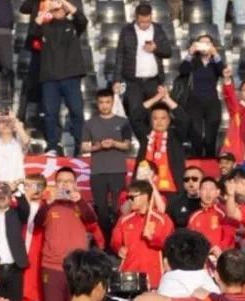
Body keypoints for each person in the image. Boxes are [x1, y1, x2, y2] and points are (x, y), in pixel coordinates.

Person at [33, 167, 104, 301]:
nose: (64, 184)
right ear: (55, 184)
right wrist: (48, 203)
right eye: (60, 181)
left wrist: (80, 200)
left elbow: (92, 219)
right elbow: (37, 221)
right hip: (52, 266)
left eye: (69, 181)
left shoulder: (81, 204)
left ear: (75, 184)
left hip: (78, 267)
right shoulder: (49, 205)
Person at [35, 0, 87, 157]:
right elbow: (34, 28)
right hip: (50, 77)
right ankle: (52, 146)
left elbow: (81, 18)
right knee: (50, 114)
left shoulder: (73, 25)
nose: (58, 11)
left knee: (77, 112)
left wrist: (64, 2)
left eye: (61, 9)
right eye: (56, 9)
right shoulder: (45, 26)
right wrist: (47, 8)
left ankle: (80, 145)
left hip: (71, 76)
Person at [81, 89, 133, 239]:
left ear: (112, 102)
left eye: (107, 102)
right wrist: (99, 146)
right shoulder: (90, 123)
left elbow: (127, 145)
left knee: (119, 207)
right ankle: (104, 240)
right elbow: (84, 147)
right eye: (101, 102)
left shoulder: (123, 122)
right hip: (98, 172)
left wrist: (114, 143)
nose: (104, 105)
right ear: (97, 104)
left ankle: (119, 239)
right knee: (101, 209)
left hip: (117, 170)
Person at [112, 3, 173, 124]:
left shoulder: (158, 29)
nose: (145, 24)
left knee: (155, 116)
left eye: (147, 21)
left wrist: (156, 49)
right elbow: (120, 56)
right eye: (142, 22)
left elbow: (168, 52)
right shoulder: (127, 30)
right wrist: (117, 80)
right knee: (136, 115)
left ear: (151, 16)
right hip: (133, 82)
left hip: (153, 81)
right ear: (136, 17)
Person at [111, 179, 174, 288]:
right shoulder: (124, 220)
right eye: (127, 198)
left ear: (145, 196)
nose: (129, 201)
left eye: (132, 197)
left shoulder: (162, 219)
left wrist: (152, 238)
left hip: (154, 275)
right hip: (129, 274)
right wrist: (119, 248)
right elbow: (114, 241)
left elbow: (169, 244)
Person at [133, 88, 189, 195]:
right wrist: (156, 98)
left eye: (163, 118)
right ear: (150, 121)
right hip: (145, 189)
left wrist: (167, 99)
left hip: (172, 189)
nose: (159, 122)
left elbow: (184, 120)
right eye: (155, 118)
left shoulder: (176, 136)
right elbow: (135, 116)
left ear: (169, 120)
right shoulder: (145, 135)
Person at [179, 35, 224, 158]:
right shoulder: (193, 61)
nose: (204, 46)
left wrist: (215, 54)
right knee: (196, 136)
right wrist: (190, 53)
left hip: (212, 101)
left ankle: (210, 162)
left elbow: (223, 72)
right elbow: (182, 71)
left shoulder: (215, 62)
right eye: (201, 43)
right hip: (194, 102)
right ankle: (196, 161)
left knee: (211, 137)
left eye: (207, 43)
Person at [187, 177, 237, 252]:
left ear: (217, 192)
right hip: (201, 256)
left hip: (221, 255)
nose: (208, 193)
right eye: (204, 189)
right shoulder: (194, 216)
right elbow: (189, 240)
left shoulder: (224, 212)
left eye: (211, 189)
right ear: (199, 192)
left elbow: (230, 236)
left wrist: (220, 249)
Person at [0, 109, 29, 188]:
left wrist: (15, 120)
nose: (6, 124)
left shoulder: (18, 144)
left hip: (17, 188)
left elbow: (26, 141)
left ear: (14, 126)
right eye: (2, 121)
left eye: (9, 121)